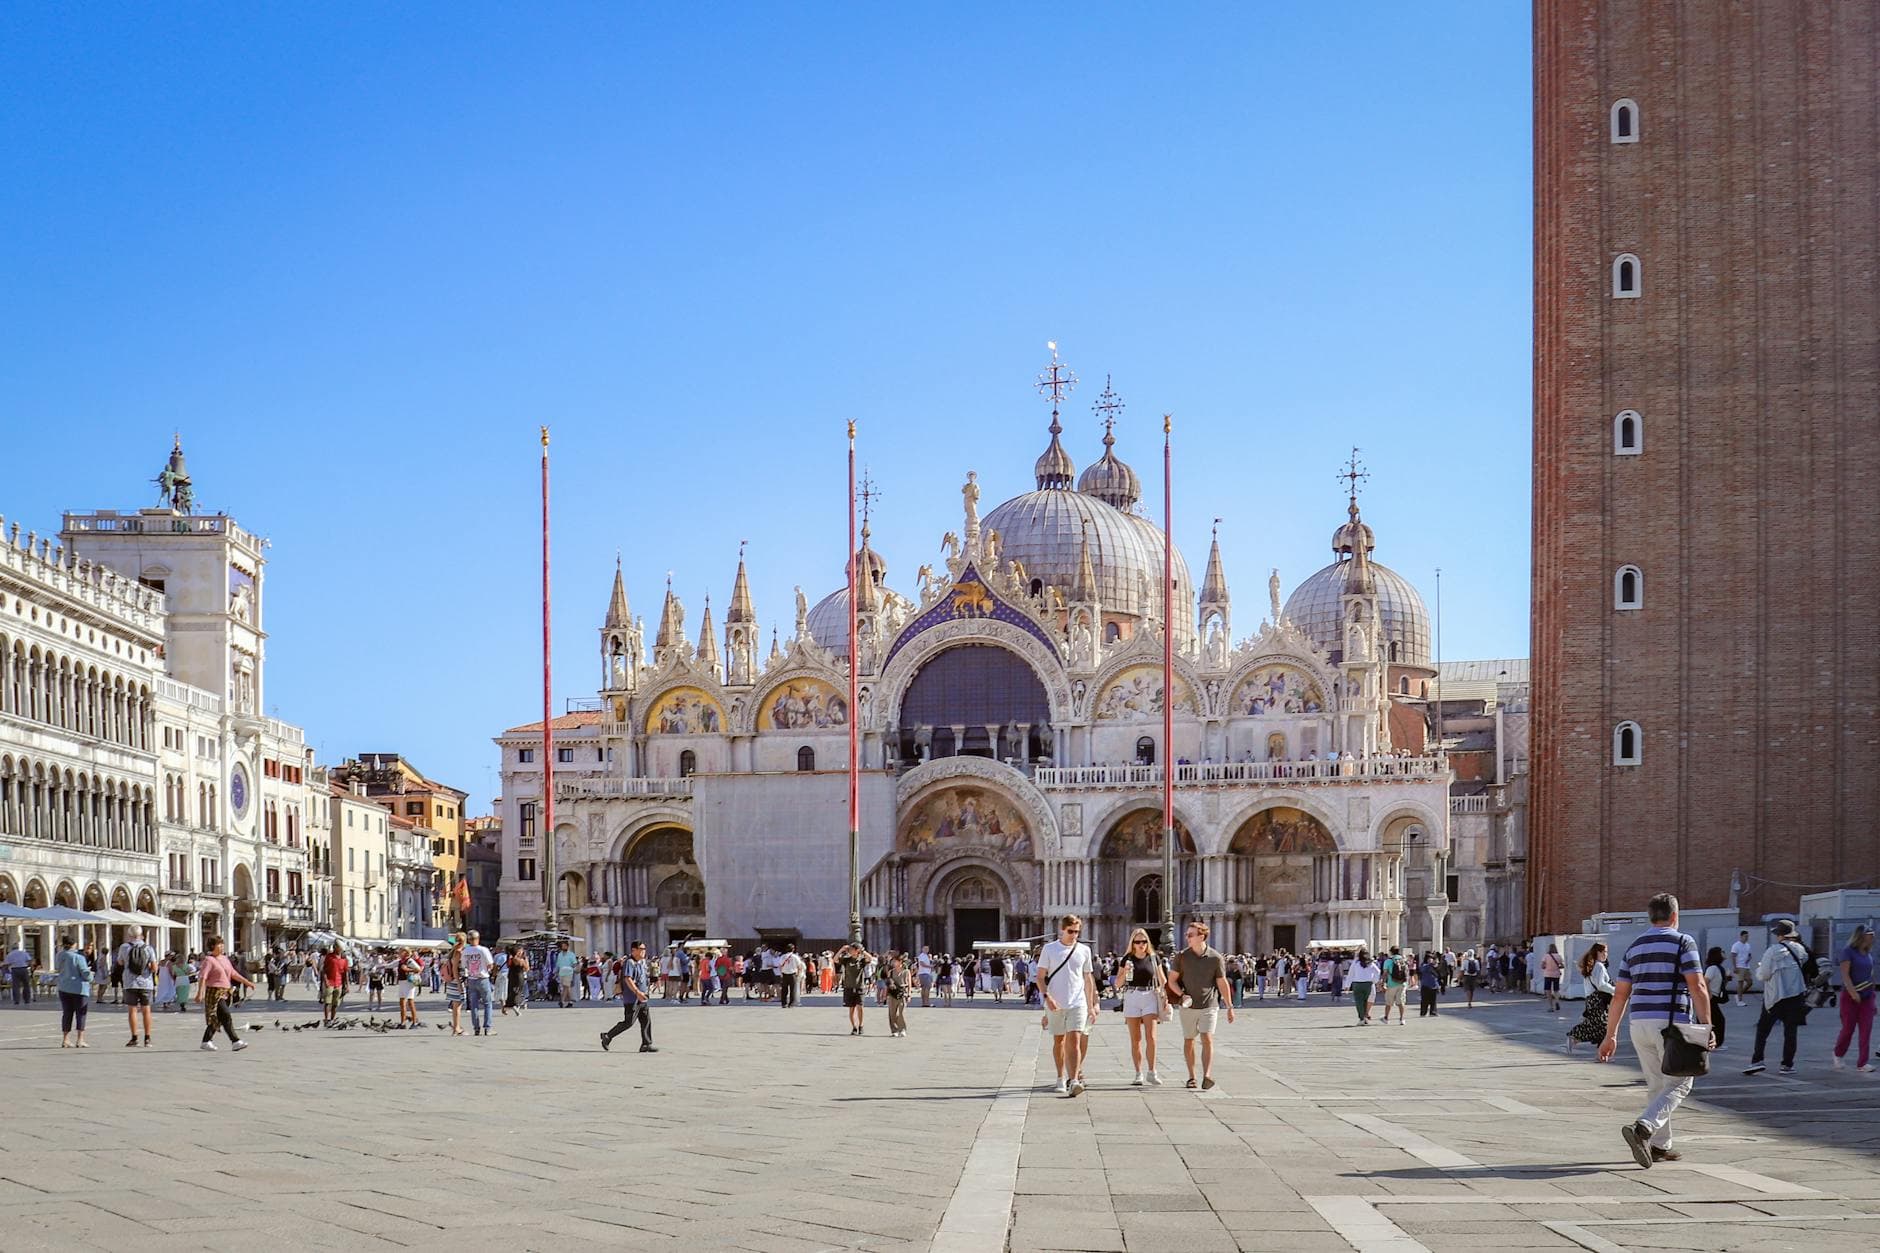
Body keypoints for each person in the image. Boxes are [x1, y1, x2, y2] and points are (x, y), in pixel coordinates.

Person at [1597, 892, 1711, 1168]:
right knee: (1682, 1082)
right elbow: (1697, 986)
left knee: (1657, 1085)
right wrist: (1708, 1025)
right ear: (1674, 916)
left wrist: (1610, 1034)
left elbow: (1620, 995)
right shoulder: (1684, 941)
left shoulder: (1634, 946)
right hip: (1672, 1024)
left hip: (1639, 1023)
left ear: (1651, 916)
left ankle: (1660, 1145)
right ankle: (1644, 1128)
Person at [1164, 920, 1235, 1090]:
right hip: (1188, 1005)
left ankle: (1207, 1075)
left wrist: (1230, 1006)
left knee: (1207, 1038)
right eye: (1187, 935)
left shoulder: (1215, 958)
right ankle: (1192, 1076)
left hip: (1209, 1004)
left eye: (1190, 935)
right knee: (1189, 1040)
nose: (1187, 937)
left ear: (1201, 936)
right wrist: (1182, 995)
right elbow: (1171, 980)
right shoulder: (1182, 956)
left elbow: (1222, 982)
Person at [1037, 915, 1099, 1097]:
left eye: (1077, 932)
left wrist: (1091, 1004)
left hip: (1077, 1002)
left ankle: (1074, 1081)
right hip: (1055, 1002)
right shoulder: (1049, 949)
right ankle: (1059, 1076)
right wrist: (1047, 997)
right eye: (1071, 931)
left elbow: (1088, 978)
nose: (1074, 935)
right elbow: (1040, 977)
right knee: (1059, 1041)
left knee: (1075, 1040)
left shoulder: (1084, 950)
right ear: (1062, 930)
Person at [1746, 920, 1811, 1075]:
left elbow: (1763, 975)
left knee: (1763, 1029)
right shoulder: (1800, 950)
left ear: (1780, 935)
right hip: (1795, 995)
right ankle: (1787, 1064)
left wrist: (1760, 968)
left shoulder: (1773, 951)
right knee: (1790, 1032)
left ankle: (1757, 1060)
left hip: (1775, 996)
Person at [1113, 927, 1166, 1086]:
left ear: (1147, 942)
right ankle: (1138, 1073)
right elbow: (1118, 983)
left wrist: (1163, 992)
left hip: (1150, 996)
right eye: (1137, 942)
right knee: (1135, 1039)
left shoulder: (1153, 958)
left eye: (1144, 941)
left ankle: (1152, 1071)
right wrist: (1124, 972)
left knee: (1152, 1037)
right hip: (1131, 996)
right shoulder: (1127, 959)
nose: (1141, 944)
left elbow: (1162, 979)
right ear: (1133, 943)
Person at [194, 937, 256, 1052]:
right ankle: (235, 1041)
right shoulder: (208, 960)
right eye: (219, 944)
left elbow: (233, 973)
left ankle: (206, 1041)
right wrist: (200, 993)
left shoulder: (225, 959)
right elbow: (203, 977)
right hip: (214, 992)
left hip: (226, 992)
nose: (222, 946)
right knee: (226, 1015)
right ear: (213, 946)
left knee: (218, 1018)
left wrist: (247, 982)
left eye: (223, 944)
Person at [1831, 924, 1875, 1073]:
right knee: (1848, 1029)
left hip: (1867, 996)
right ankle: (1838, 1053)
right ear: (1862, 936)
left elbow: (1870, 976)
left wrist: (1873, 1000)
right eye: (1870, 934)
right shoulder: (1848, 952)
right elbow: (1845, 974)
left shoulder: (1868, 954)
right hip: (1850, 997)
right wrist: (1853, 992)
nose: (1873, 937)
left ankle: (1863, 1062)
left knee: (1866, 1029)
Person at [600, 940, 656, 1053]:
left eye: (644, 949)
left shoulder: (642, 962)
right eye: (641, 949)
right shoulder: (629, 962)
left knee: (646, 1020)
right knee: (629, 1022)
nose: (644, 952)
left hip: (642, 997)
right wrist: (637, 992)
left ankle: (646, 1044)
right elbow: (627, 978)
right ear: (634, 950)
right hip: (632, 998)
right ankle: (608, 1036)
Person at [1566, 942, 1614, 1053]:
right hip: (1598, 999)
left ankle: (1576, 1039)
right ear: (1598, 952)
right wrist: (1614, 990)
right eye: (1604, 951)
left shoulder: (1592, 965)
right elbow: (1601, 985)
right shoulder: (1599, 966)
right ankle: (1575, 1037)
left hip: (1591, 999)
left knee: (1596, 1024)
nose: (1606, 954)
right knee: (1603, 1025)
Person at [116, 927, 158, 1048]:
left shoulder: (124, 947)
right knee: (146, 1010)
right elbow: (155, 968)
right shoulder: (149, 948)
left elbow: (120, 962)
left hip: (130, 982)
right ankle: (147, 1038)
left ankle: (134, 1037)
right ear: (141, 935)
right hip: (146, 983)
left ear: (129, 935)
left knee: (132, 1010)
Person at [56, 935, 91, 1048]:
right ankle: (80, 1039)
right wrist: (91, 977)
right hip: (78, 988)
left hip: (63, 987)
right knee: (80, 1013)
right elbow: (85, 973)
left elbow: (57, 968)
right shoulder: (78, 957)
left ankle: (65, 1039)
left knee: (67, 1013)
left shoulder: (60, 955)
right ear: (74, 944)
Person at [461, 930, 495, 1037]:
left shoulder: (465, 951)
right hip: (483, 978)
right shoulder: (483, 950)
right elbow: (490, 964)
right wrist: (487, 970)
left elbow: (463, 965)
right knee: (487, 1003)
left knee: (474, 1005)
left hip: (472, 979)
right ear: (478, 938)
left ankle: (476, 1028)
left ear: (469, 940)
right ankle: (487, 1028)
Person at [835, 942, 872, 1035]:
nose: (850, 951)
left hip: (860, 986)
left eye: (852, 949)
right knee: (851, 1009)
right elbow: (835, 959)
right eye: (850, 949)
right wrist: (841, 949)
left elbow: (870, 958)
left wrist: (863, 951)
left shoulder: (861, 960)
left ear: (856, 951)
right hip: (848, 987)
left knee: (860, 1007)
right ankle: (854, 1027)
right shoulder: (847, 960)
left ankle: (861, 1025)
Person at [1702, 946, 1729, 1050]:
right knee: (1718, 1021)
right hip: (1710, 998)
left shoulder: (1717, 968)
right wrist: (1709, 994)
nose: (1724, 954)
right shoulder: (1712, 968)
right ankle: (1716, 1044)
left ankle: (1712, 1043)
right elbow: (1705, 981)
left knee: (1715, 1020)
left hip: (1713, 998)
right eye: (1722, 952)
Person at [1348, 949, 1381, 1025]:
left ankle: (1362, 1018)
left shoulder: (1356, 963)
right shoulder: (1371, 963)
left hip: (1357, 984)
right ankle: (1365, 1016)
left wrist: (1347, 985)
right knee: (1366, 1001)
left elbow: (1351, 973)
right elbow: (1378, 971)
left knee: (1359, 1002)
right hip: (1368, 984)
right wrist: (1374, 980)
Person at [319, 943, 349, 1026]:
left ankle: (332, 1019)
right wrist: (326, 981)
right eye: (339, 948)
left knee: (335, 1003)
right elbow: (324, 970)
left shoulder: (344, 959)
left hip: (339, 983)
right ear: (335, 948)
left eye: (341, 948)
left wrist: (347, 985)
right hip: (330, 981)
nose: (340, 950)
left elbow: (345, 974)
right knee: (327, 1002)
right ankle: (326, 1019)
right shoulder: (329, 957)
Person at [884, 951, 912, 1037]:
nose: (893, 963)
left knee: (901, 1012)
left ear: (900, 962)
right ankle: (894, 1030)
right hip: (892, 994)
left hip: (902, 993)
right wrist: (885, 996)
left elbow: (909, 983)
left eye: (895, 961)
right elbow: (888, 984)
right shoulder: (891, 972)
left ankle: (902, 1029)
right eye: (893, 961)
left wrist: (909, 994)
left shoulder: (906, 972)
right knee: (892, 1013)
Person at [442, 937, 467, 1036]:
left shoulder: (453, 952)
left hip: (453, 981)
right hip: (456, 981)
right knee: (457, 1006)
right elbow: (455, 970)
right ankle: (456, 1028)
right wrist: (459, 984)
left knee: (456, 1005)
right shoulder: (458, 952)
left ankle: (456, 1027)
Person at [1380, 946, 1409, 1025]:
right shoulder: (1403, 960)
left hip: (1392, 983)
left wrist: (1382, 983)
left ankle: (1386, 1018)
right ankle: (1402, 1019)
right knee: (1401, 1002)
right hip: (1402, 983)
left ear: (1391, 952)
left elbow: (1385, 973)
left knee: (1389, 1002)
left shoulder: (1388, 961)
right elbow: (1407, 972)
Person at [1730, 930, 1756, 1007]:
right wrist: (1735, 967)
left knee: (1750, 982)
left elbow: (1749, 954)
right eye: (1745, 936)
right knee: (1740, 982)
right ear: (1741, 936)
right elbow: (1733, 956)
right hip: (1739, 966)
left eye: (1748, 936)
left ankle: (1738, 995)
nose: (1747, 938)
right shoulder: (1736, 945)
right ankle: (1739, 1000)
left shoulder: (1748, 945)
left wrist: (1749, 958)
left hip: (1746, 966)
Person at [777, 943, 803, 1009]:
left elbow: (779, 966)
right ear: (793, 949)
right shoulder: (795, 957)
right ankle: (791, 1003)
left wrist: (781, 973)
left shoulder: (783, 956)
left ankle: (784, 1003)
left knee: (784, 990)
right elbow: (799, 966)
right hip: (793, 974)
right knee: (792, 989)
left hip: (784, 974)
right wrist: (799, 974)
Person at [1417, 951, 1443, 1017]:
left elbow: (1438, 974)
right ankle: (1423, 1012)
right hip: (1425, 985)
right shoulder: (1424, 965)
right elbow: (1422, 970)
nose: (1430, 960)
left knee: (1433, 1000)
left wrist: (1438, 986)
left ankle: (1433, 1012)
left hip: (1433, 985)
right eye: (1429, 958)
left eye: (1431, 958)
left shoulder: (1434, 966)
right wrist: (1430, 964)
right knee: (1424, 1000)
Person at [504, 946, 528, 1014]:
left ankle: (507, 1006)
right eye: (520, 951)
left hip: (515, 975)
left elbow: (526, 968)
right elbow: (526, 967)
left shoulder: (511, 958)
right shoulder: (515, 959)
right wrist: (525, 960)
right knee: (515, 991)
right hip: (517, 976)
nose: (521, 952)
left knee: (514, 990)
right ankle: (514, 1005)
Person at [1541, 944, 1564, 1013]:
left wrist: (1546, 967)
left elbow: (1542, 966)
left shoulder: (1546, 956)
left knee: (1548, 990)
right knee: (1556, 990)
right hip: (1556, 975)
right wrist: (1557, 967)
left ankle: (1551, 1007)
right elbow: (1562, 965)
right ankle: (1557, 1001)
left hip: (1547, 974)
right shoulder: (1558, 956)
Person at [555, 941, 578, 1008]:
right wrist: (556, 972)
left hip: (569, 972)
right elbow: (558, 964)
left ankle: (562, 1001)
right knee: (566, 987)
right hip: (561, 973)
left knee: (566, 986)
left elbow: (574, 963)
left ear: (567, 946)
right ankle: (570, 1001)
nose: (564, 947)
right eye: (563, 946)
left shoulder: (571, 954)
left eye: (565, 946)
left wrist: (571, 968)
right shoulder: (560, 954)